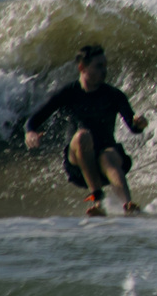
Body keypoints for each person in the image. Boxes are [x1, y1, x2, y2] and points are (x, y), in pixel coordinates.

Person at [24, 44, 148, 214]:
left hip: (107, 159)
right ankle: (98, 200)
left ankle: (128, 205)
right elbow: (32, 121)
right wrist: (30, 133)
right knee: (83, 136)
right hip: (79, 164)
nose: (104, 70)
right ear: (82, 67)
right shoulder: (68, 93)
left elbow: (133, 127)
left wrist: (139, 124)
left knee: (108, 156)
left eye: (105, 65)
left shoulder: (114, 95)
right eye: (98, 66)